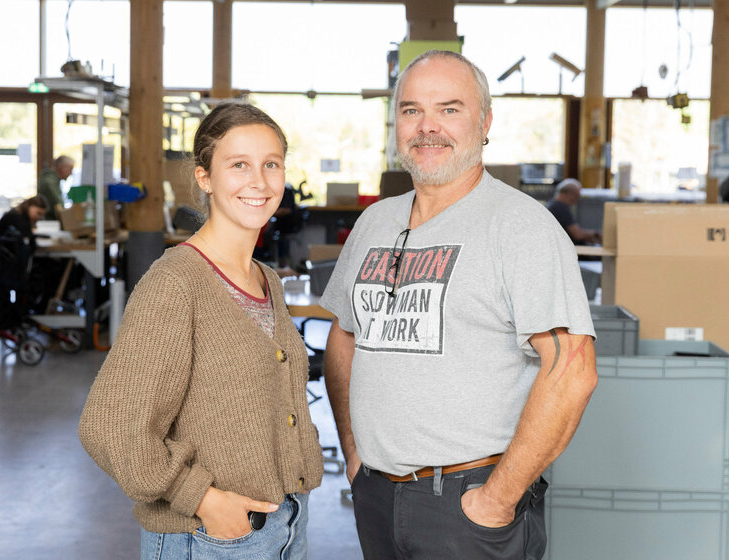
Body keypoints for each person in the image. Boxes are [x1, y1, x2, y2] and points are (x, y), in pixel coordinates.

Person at [319, 50, 598, 560]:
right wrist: (355, 456)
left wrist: (497, 500)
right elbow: (343, 337)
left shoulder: (520, 226)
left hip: (468, 508)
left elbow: (573, 368)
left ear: (485, 121)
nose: (427, 127)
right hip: (378, 494)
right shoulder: (375, 223)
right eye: (410, 111)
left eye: (449, 109)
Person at [79, 103, 324, 560]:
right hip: (211, 538)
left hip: (287, 525)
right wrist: (203, 499)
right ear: (204, 177)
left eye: (271, 164)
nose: (260, 181)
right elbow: (109, 426)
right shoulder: (175, 284)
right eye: (238, 165)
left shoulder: (265, 277)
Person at [546, 178, 602, 245]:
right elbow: (577, 234)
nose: (577, 200)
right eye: (576, 195)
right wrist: (597, 234)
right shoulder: (559, 207)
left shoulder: (553, 204)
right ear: (569, 193)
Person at [37, 155, 74, 220]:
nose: (71, 173)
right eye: (70, 169)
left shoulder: (53, 180)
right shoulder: (49, 181)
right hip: (48, 222)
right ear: (63, 167)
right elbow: (57, 202)